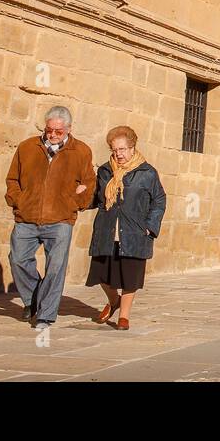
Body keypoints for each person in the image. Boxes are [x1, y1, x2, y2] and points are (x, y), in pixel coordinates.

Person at [5, 105, 96, 329]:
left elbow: (89, 183)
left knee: (55, 267)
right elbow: (12, 180)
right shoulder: (27, 147)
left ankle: (45, 314)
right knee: (17, 259)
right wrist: (18, 201)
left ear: (68, 129)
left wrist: (75, 203)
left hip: (60, 219)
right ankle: (33, 299)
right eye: (49, 130)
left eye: (58, 131)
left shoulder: (81, 151)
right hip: (27, 216)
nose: (53, 135)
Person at [86, 126, 166, 330]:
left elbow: (159, 200)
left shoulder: (147, 172)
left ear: (132, 148)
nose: (118, 154)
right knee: (100, 274)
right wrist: (77, 195)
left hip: (135, 232)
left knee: (130, 276)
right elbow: (95, 198)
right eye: (114, 150)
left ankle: (124, 316)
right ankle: (114, 301)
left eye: (122, 149)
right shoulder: (105, 171)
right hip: (107, 229)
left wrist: (150, 226)